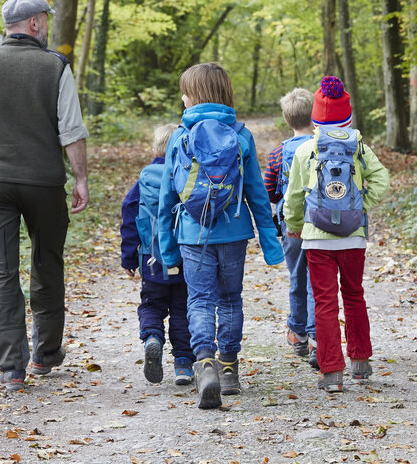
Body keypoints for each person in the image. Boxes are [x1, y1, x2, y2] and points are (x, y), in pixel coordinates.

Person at [0, 0, 89, 392]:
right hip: (43, 182)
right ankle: (45, 354)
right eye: (44, 19)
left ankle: (12, 367)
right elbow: (71, 131)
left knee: (1, 272)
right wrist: (80, 178)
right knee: (47, 262)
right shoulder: (54, 66)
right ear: (33, 24)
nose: (46, 25)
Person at [157, 62, 284, 409]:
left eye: (184, 92)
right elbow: (258, 194)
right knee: (230, 299)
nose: (182, 98)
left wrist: (167, 250)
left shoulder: (178, 137)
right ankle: (229, 368)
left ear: (193, 96)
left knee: (199, 300)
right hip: (234, 232)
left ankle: (205, 363)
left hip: (193, 234)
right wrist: (272, 246)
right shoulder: (241, 136)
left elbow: (167, 198)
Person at [283, 76, 389, 393]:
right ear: (348, 116)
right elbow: (382, 179)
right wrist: (360, 206)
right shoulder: (359, 147)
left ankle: (332, 372)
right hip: (352, 236)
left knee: (326, 303)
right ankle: (360, 360)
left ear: (315, 118)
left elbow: (293, 198)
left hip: (317, 238)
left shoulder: (306, 149)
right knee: (354, 295)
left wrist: (294, 225)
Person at [119, 123, 195, 386]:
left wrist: (129, 257)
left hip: (152, 258)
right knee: (182, 309)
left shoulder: (145, 178)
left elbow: (130, 215)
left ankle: (152, 337)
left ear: (154, 148)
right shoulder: (186, 175)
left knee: (152, 304)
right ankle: (184, 365)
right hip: (185, 257)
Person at [263, 88, 317, 367]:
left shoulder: (278, 153)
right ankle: (317, 336)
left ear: (287, 119)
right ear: (315, 114)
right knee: (318, 280)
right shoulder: (324, 146)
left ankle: (297, 331)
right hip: (323, 225)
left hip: (291, 226)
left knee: (298, 277)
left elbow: (269, 192)